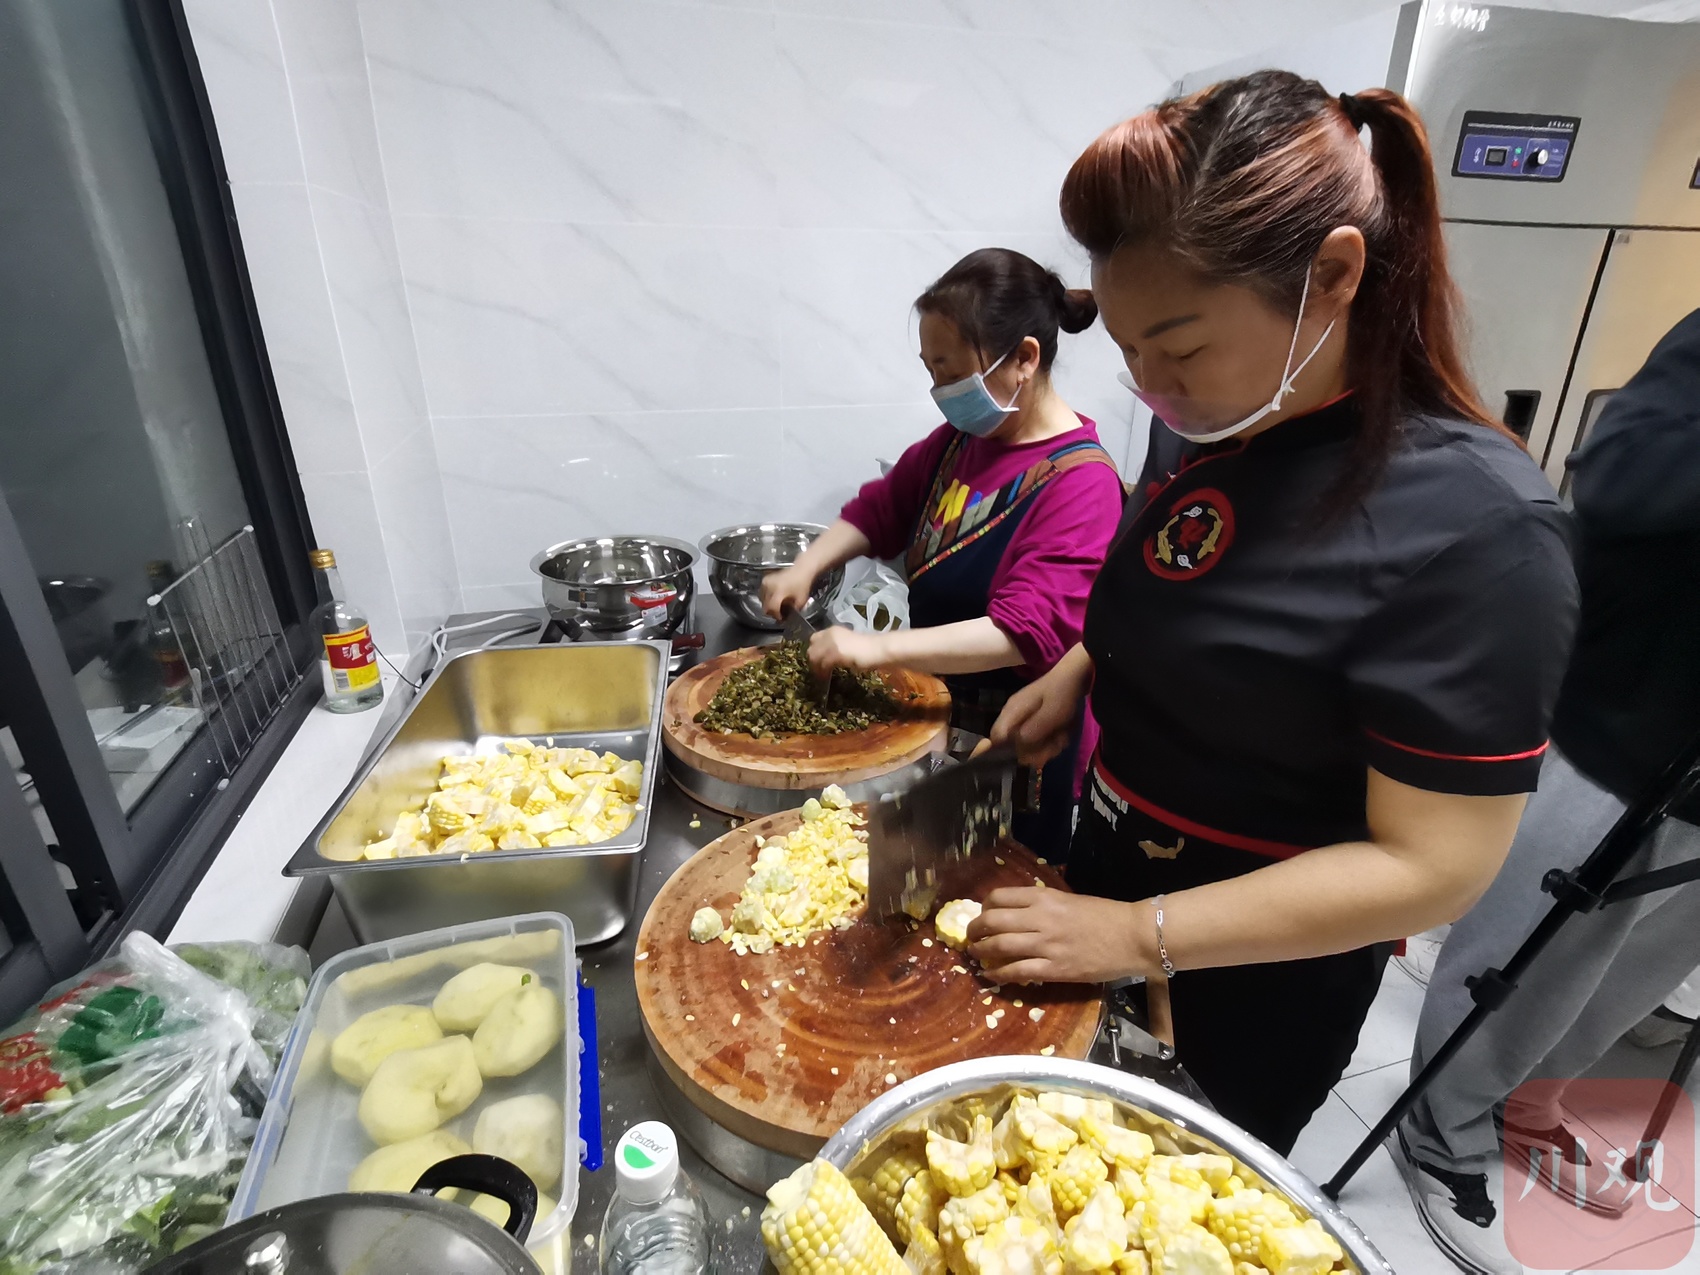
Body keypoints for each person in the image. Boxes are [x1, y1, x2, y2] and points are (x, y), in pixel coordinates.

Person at [963, 70, 1580, 1156]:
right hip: (1100, 885)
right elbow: (1201, 596)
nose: (1150, 382)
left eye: (1179, 346)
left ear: (1332, 276)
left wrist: (1136, 935)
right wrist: (1086, 667)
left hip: (1249, 976)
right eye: (1129, 350)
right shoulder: (1225, 422)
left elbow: (1432, 866)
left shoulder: (1479, 532)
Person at [1395, 308, 1700, 1275]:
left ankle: (1527, 1104)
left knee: (1639, 965)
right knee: (1536, 949)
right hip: (1629, 717)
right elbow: (1619, 470)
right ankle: (1442, 1126)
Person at [762, 248, 1125, 858]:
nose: (939, 390)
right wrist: (807, 565)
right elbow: (882, 509)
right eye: (930, 371)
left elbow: (1022, 631)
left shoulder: (1081, 483)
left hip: (1017, 743)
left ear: (1024, 359)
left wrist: (875, 649)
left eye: (951, 371)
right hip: (937, 717)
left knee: (995, 888)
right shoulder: (959, 443)